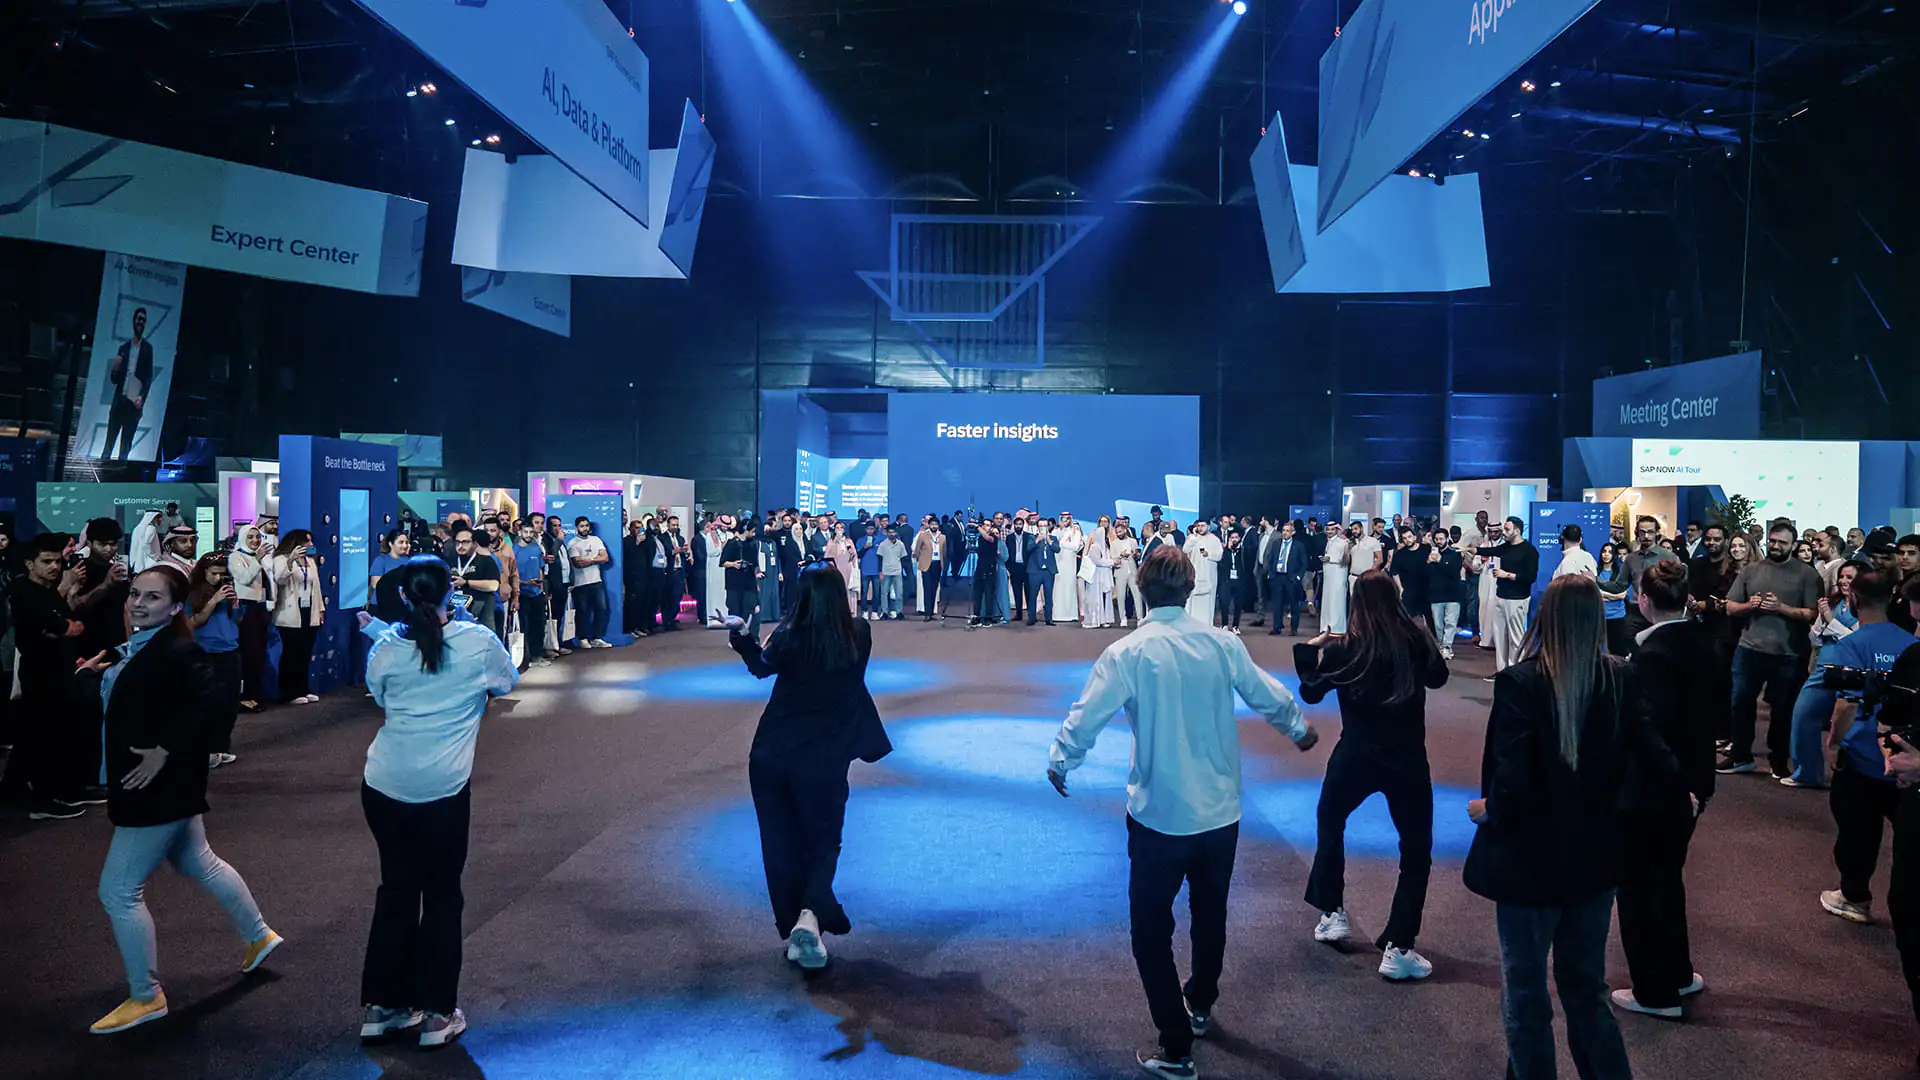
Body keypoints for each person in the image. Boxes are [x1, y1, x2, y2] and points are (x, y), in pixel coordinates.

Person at [1047, 546, 1318, 1080]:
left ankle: (1176, 1045)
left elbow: (1087, 716)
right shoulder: (1222, 644)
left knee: (1150, 932)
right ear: (1191, 588)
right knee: (1210, 915)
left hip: (1159, 815)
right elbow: (1265, 693)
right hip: (1220, 813)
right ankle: (1199, 1004)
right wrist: (1296, 727)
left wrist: (1061, 760)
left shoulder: (1126, 652)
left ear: (1141, 589)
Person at [1464, 576, 1670, 1080]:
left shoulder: (1520, 682)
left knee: (1526, 993)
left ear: (1546, 617)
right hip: (1594, 860)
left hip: (1528, 862)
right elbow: (1656, 759)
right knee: (1585, 988)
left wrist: (1490, 809)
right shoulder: (1621, 677)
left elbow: (1511, 776)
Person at [86, 565, 284, 1035]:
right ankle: (259, 936)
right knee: (200, 861)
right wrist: (102, 674)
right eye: (135, 594)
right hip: (162, 783)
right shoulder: (143, 647)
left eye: (152, 598)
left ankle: (145, 995)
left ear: (176, 606)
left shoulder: (176, 650)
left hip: (157, 787)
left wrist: (165, 748)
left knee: (118, 890)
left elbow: (214, 702)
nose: (138, 604)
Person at [359, 558, 517, 1049]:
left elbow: (380, 696)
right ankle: (436, 1013)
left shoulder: (387, 648)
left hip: (383, 783)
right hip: (444, 789)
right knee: (443, 895)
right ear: (453, 592)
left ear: (403, 597)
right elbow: (507, 682)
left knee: (396, 889)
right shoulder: (477, 642)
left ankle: (382, 1007)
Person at [728, 565, 892, 971]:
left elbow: (761, 666)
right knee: (823, 840)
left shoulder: (788, 636)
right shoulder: (859, 634)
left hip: (771, 754)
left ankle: (805, 924)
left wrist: (742, 635)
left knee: (779, 843)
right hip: (823, 758)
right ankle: (810, 917)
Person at [1296, 569, 1448, 981]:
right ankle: (1400, 946)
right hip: (1407, 761)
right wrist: (1424, 633)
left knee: (1330, 822)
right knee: (1416, 851)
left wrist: (1310, 650)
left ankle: (1332, 912)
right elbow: (1439, 677)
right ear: (1395, 598)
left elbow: (1310, 691)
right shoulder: (1414, 641)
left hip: (1355, 756)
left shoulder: (1346, 649)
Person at [1611, 560, 1722, 1019]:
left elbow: (1649, 733)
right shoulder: (1703, 644)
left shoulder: (1653, 656)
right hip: (1692, 782)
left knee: (1641, 889)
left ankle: (1655, 992)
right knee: (1666, 881)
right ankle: (1676, 973)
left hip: (1657, 789)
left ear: (1643, 599)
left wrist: (1676, 785)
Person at [1814, 570, 1919, 923]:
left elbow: (1845, 705)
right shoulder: (1911, 643)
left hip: (1862, 758)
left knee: (1857, 833)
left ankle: (1854, 897)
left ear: (1853, 599)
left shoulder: (1851, 644)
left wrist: (1832, 743)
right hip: (1905, 760)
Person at [1717, 520, 1825, 777]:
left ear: (1793, 544)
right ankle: (1741, 756)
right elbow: (1730, 606)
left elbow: (1814, 614)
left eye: (1782, 543)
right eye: (1772, 541)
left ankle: (1778, 760)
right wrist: (1749, 606)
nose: (1775, 546)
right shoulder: (1751, 570)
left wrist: (1782, 608)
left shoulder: (1808, 574)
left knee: (1782, 710)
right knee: (1740, 703)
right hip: (1748, 648)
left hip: (1789, 652)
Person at [9, 533, 91, 819]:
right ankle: (42, 799)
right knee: (44, 735)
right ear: (30, 563)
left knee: (43, 734)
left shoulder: (47, 591)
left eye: (57, 561)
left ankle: (25, 790)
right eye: (47, 561)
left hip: (59, 668)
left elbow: (70, 624)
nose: (55, 567)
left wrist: (61, 628)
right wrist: (61, 627)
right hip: (39, 672)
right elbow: (63, 626)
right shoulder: (24, 591)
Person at [186, 554, 242, 769]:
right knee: (208, 704)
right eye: (214, 574)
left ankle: (221, 747)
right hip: (205, 651)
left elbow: (236, 620)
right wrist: (213, 602)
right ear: (203, 572)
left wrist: (235, 604)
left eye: (222, 574)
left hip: (230, 650)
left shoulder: (225, 591)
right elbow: (192, 623)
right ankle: (205, 749)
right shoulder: (191, 593)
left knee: (229, 704)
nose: (218, 578)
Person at [1475, 517, 1540, 677]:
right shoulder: (1506, 547)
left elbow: (1530, 577)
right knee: (1500, 637)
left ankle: (1516, 672)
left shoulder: (1529, 551)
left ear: (1517, 531)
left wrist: (1507, 575)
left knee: (1516, 638)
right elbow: (1486, 551)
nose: (1503, 532)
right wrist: (1466, 549)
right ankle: (1502, 671)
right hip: (1501, 595)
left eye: (1507, 529)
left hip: (1517, 598)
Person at [269, 530, 325, 705]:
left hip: (309, 611)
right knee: (292, 653)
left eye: (311, 541)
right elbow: (280, 579)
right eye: (307, 541)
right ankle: (289, 692)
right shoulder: (280, 559)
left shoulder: (310, 561)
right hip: (290, 612)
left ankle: (303, 688)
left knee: (305, 653)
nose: (311, 545)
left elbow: (317, 587)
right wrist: (291, 560)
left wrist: (321, 609)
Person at [226, 524, 272, 713]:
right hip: (246, 608)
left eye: (257, 537)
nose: (255, 541)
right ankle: (246, 697)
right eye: (250, 537)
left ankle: (255, 694)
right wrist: (258, 560)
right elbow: (244, 579)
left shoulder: (261, 557)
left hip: (261, 607)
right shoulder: (235, 557)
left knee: (259, 654)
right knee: (249, 653)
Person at [102, 306, 155, 461]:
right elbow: (114, 380)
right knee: (108, 445)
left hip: (133, 406)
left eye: (143, 320)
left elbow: (148, 378)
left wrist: (142, 397)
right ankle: (101, 474)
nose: (141, 323)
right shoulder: (123, 348)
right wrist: (115, 369)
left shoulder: (147, 349)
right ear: (134, 321)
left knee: (125, 449)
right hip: (119, 402)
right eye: (139, 319)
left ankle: (119, 476)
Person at [446, 525, 502, 643]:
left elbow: (493, 585)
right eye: (458, 542)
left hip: (481, 608)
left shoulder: (486, 561)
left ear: (475, 544)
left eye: (465, 542)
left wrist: (466, 582)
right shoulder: (449, 560)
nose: (461, 546)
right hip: (454, 609)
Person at [566, 517, 613, 649]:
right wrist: (596, 558)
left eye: (586, 525)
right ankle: (582, 638)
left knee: (601, 609)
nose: (585, 528)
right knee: (582, 612)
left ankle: (597, 637)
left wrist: (589, 560)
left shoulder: (596, 540)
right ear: (576, 528)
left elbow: (605, 558)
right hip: (580, 583)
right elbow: (578, 563)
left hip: (596, 581)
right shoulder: (572, 543)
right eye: (582, 526)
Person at [509, 522, 549, 672]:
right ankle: (525, 658)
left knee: (538, 626)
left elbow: (540, 568)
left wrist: (541, 588)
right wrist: (525, 583)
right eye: (525, 532)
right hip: (521, 594)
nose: (528, 535)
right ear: (519, 532)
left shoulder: (536, 548)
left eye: (531, 532)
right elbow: (511, 576)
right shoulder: (514, 550)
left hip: (536, 594)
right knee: (523, 627)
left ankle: (537, 655)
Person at [1425, 528, 1466, 659]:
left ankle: (1447, 646)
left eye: (1441, 539)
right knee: (1438, 624)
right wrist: (1428, 562)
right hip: (1436, 594)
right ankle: (1441, 645)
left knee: (1450, 622)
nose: (1439, 541)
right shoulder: (1430, 554)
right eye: (1436, 539)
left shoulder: (1454, 554)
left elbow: (1454, 571)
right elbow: (1426, 573)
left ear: (1447, 539)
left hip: (1453, 594)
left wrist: (1440, 560)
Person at [1265, 521, 1309, 636]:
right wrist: (1271, 573)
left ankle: (1294, 628)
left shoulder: (1299, 546)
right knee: (1277, 604)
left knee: (1294, 604)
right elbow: (1270, 559)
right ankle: (1277, 627)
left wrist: (1298, 576)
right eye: (1283, 530)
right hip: (1277, 577)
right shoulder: (1276, 543)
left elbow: (1303, 563)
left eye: (1287, 531)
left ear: (1293, 532)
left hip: (1291, 578)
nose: (1285, 533)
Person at [1596, 542, 1633, 655]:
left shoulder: (1621, 571)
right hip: (1599, 615)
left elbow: (1623, 594)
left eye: (1610, 552)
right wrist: (1615, 596)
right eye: (1604, 551)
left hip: (1617, 615)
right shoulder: (1596, 571)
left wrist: (1604, 595)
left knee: (1618, 650)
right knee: (1599, 650)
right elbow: (1595, 593)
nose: (1606, 554)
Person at [1320, 520, 1353, 636]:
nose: (1330, 532)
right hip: (1328, 574)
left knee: (1337, 600)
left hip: (1338, 574)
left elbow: (1346, 560)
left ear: (1336, 530)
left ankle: (1337, 627)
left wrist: (1331, 559)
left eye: (1332, 529)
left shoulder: (1343, 542)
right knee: (1327, 600)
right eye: (1328, 529)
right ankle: (1326, 626)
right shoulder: (1327, 542)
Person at [913, 514, 946, 621]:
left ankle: (931, 612)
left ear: (938, 525)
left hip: (937, 564)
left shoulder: (942, 537)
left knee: (934, 589)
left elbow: (944, 552)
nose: (934, 526)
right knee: (927, 589)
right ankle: (927, 613)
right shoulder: (923, 535)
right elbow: (917, 550)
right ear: (929, 525)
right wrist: (921, 560)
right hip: (926, 564)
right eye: (932, 524)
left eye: (936, 524)